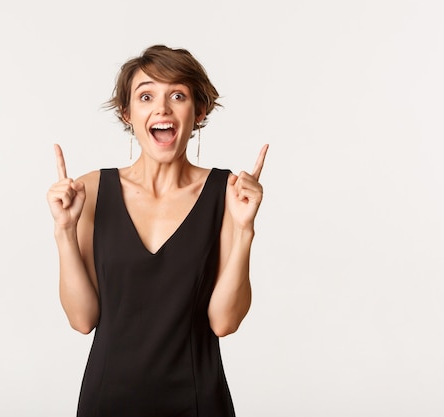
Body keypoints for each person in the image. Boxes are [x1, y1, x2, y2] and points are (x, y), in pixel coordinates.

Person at [47, 44, 268, 417]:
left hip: (198, 402)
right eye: (146, 96)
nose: (161, 108)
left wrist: (244, 230)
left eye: (177, 95)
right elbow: (82, 320)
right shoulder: (91, 192)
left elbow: (225, 322)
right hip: (107, 401)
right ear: (128, 114)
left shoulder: (227, 194)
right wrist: (64, 232)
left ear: (198, 112)